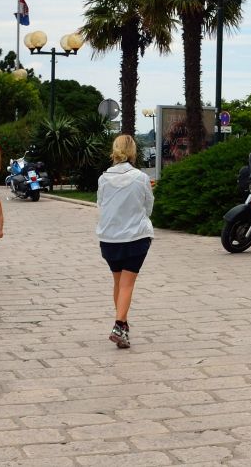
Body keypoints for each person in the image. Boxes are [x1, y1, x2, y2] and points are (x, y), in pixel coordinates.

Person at [96, 134, 155, 348]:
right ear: (133, 151)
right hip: (135, 237)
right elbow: (148, 206)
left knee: (119, 282)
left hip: (109, 238)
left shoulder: (103, 178)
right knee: (127, 283)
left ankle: (123, 328)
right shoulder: (141, 177)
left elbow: (101, 204)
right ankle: (119, 324)